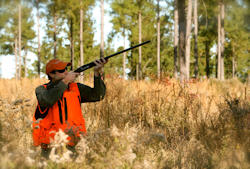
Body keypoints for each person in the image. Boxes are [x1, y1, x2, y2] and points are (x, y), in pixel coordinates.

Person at [32, 58, 107, 159]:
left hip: (74, 145)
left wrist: (97, 74)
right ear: (52, 74)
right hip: (50, 148)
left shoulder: (76, 88)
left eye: (66, 69)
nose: (66, 72)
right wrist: (66, 81)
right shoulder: (42, 90)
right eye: (62, 70)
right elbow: (47, 100)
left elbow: (98, 95)